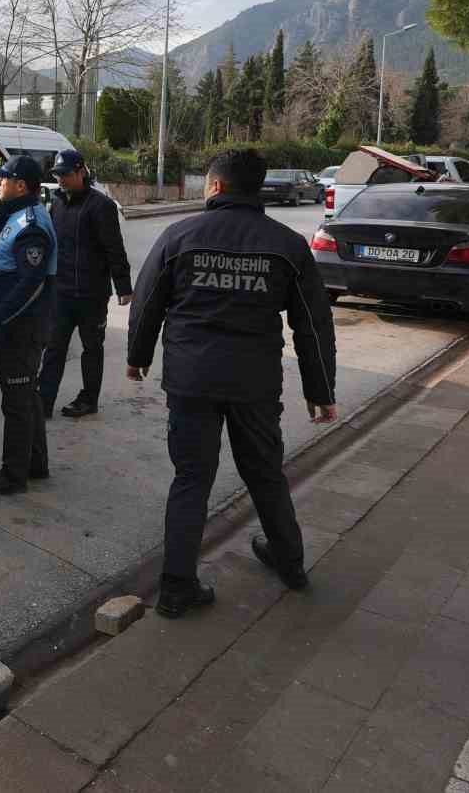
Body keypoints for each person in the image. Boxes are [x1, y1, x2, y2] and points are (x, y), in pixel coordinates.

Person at [126, 148, 338, 618]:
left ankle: (177, 587)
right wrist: (320, 390)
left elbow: (147, 303)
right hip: (253, 384)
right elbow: (312, 323)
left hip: (191, 380)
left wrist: (137, 359)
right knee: (264, 472)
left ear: (217, 186)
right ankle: (290, 562)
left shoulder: (180, 235)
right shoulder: (286, 244)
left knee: (191, 478)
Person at [0, 155, 55, 496]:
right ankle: (35, 462)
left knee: (17, 400)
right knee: (27, 394)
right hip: (19, 324)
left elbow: (31, 283)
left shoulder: (30, 225)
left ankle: (13, 474)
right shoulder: (18, 216)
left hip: (22, 327)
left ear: (21, 185)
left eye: (3, 178)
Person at [37, 149, 132, 418]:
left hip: (91, 295)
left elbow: (114, 247)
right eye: (57, 175)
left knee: (92, 349)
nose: (61, 180)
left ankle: (89, 399)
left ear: (81, 172)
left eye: (66, 175)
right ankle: (43, 401)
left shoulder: (100, 206)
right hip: (62, 292)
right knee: (54, 347)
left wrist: (123, 286)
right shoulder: (56, 203)